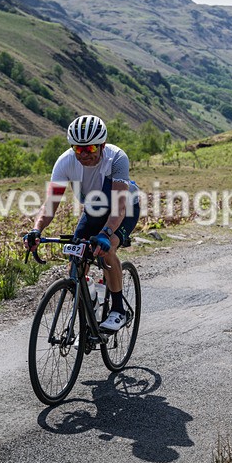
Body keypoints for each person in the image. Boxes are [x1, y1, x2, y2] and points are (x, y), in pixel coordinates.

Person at [23, 115, 140, 332]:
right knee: (76, 260)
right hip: (94, 210)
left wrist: (106, 233)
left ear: (102, 145)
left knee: (107, 250)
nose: (84, 154)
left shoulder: (117, 159)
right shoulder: (65, 162)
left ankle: (118, 310)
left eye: (91, 149)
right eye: (79, 149)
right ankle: (91, 296)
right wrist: (36, 229)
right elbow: (50, 205)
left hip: (124, 209)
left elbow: (119, 208)